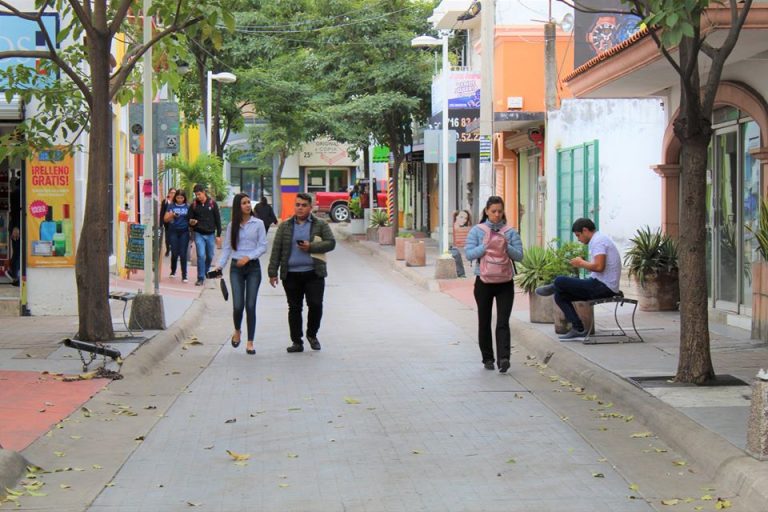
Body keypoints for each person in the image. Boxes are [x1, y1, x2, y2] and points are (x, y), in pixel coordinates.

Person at [268, 193, 336, 353]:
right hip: (291, 274)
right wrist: (272, 272)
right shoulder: (285, 226)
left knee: (315, 305)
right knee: (294, 308)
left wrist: (311, 247)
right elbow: (276, 249)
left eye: (304, 205)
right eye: (297, 205)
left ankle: (312, 334)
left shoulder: (320, 224)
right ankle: (296, 341)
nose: (300, 208)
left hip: (314, 273)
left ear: (310, 207)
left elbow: (331, 243)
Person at [535, 217, 621, 340]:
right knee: (560, 296)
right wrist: (583, 264)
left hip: (604, 287)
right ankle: (578, 329)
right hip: (599, 284)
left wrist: (581, 263)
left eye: (578, 235)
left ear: (585, 230)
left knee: (560, 281)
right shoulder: (597, 240)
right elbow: (598, 268)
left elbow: (599, 267)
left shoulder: (598, 241)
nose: (578, 239)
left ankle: (554, 286)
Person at [464, 196, 523, 373]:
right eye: (493, 211)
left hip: (505, 282)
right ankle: (488, 358)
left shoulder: (510, 232)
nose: (497, 214)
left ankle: (504, 358)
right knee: (484, 320)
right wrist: (485, 246)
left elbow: (519, 256)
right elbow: (469, 254)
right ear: (487, 211)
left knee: (503, 321)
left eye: (500, 211)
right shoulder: (477, 230)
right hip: (483, 281)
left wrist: (505, 246)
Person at [214, 193, 267, 355]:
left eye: (249, 202)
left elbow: (263, 246)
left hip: (253, 268)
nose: (248, 205)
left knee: (250, 305)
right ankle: (237, 330)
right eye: (244, 203)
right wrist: (219, 266)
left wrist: (249, 257)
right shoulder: (232, 226)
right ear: (238, 206)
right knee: (238, 306)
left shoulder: (258, 224)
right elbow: (227, 249)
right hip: (236, 268)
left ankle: (250, 342)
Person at [189, 184, 222, 286]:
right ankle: (200, 278)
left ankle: (205, 271)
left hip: (210, 234)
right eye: (196, 195)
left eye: (199, 194)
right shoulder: (194, 205)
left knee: (210, 255)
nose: (198, 196)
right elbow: (189, 218)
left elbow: (217, 219)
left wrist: (218, 234)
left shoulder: (212, 204)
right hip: (199, 233)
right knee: (201, 255)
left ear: (204, 192)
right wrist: (192, 222)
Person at [163, 189, 190, 282]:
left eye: (181, 198)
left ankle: (184, 275)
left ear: (184, 198)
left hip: (184, 232)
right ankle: (173, 271)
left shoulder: (188, 206)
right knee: (174, 253)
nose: (180, 200)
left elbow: (191, 217)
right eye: (178, 198)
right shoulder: (171, 206)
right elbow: (165, 219)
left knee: (183, 253)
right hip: (173, 231)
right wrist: (172, 215)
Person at [8, 178, 20, 286]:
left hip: (16, 226)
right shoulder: (17, 193)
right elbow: (15, 211)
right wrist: (16, 227)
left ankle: (13, 273)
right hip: (16, 227)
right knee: (18, 251)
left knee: (17, 251)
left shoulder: (16, 193)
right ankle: (14, 275)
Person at [159, 187, 176, 257]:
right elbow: (162, 212)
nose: (173, 194)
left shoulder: (177, 202)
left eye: (174, 193)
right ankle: (168, 250)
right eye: (171, 193)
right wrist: (161, 223)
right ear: (169, 193)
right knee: (167, 237)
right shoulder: (165, 201)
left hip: (175, 223)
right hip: (167, 223)